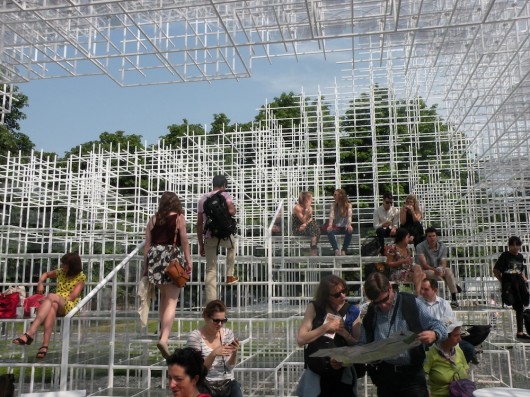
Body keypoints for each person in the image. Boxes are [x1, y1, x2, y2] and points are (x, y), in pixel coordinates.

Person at [359, 272, 447, 397]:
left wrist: (434, 334)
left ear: (390, 288)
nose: (383, 305)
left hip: (412, 375)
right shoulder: (372, 312)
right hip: (386, 377)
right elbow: (362, 343)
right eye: (377, 302)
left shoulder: (412, 303)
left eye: (385, 299)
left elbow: (441, 327)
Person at [144, 191, 192, 359]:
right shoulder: (179, 218)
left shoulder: (153, 219)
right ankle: (164, 338)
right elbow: (184, 240)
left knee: (164, 298)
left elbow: (147, 244)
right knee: (172, 300)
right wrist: (188, 260)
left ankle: (161, 334)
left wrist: (146, 266)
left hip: (155, 258)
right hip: (172, 259)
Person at [12, 252, 86, 359]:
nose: (62, 266)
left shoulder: (81, 277)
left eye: (65, 264)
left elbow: (72, 297)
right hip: (56, 303)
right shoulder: (61, 272)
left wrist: (51, 298)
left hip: (70, 305)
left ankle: (30, 333)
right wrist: (40, 282)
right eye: (63, 263)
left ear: (72, 266)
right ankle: (45, 346)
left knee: (51, 296)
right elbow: (46, 274)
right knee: (52, 307)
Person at [296, 275, 360, 397]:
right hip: (318, 374)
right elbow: (301, 339)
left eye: (344, 291)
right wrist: (326, 327)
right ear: (326, 296)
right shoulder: (315, 307)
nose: (343, 296)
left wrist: (345, 334)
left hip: (342, 377)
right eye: (337, 294)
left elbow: (357, 343)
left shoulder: (352, 311)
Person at [187, 300, 243, 397]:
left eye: (223, 320)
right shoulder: (195, 337)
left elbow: (229, 367)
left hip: (227, 382)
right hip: (205, 383)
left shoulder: (228, 334)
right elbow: (197, 371)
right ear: (206, 317)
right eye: (216, 320)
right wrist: (213, 354)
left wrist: (234, 352)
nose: (220, 324)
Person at [197, 175, 239, 304]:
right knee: (232, 247)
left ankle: (211, 302)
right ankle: (229, 275)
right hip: (225, 234)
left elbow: (199, 224)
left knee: (211, 269)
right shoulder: (225, 195)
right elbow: (232, 211)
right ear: (224, 184)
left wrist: (201, 244)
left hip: (210, 235)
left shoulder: (202, 199)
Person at [419, 278, 475, 363]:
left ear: (435, 290)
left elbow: (449, 323)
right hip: (426, 338)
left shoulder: (444, 304)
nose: (422, 292)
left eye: (426, 289)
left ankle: (453, 369)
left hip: (443, 337)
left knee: (469, 349)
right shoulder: (417, 303)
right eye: (421, 289)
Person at [493, 236, 530, 340]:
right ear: (509, 245)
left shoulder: (520, 256)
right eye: (512, 244)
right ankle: (520, 331)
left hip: (519, 284)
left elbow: (520, 269)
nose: (514, 247)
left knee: (521, 307)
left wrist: (523, 278)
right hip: (509, 284)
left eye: (517, 244)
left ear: (520, 245)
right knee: (512, 302)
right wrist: (503, 281)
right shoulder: (505, 255)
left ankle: (520, 332)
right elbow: (496, 270)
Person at [424, 318, 470, 397]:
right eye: (456, 335)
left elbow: (465, 370)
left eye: (460, 334)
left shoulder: (458, 351)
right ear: (444, 337)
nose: (460, 339)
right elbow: (421, 381)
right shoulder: (430, 354)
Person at [416, 227, 460, 308]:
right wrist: (436, 270)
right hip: (426, 270)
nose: (432, 238)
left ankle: (454, 298)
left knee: (448, 271)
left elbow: (443, 261)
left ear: (436, 236)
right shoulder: (420, 246)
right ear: (426, 237)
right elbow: (424, 264)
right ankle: (442, 298)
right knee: (435, 275)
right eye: (429, 236)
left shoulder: (442, 246)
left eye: (433, 236)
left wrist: (442, 269)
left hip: (438, 268)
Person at [385, 227, 424, 295]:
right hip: (396, 272)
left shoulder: (408, 249)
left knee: (421, 273)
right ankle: (418, 295)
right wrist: (402, 261)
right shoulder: (392, 248)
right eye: (408, 237)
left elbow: (409, 263)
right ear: (403, 238)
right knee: (420, 275)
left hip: (407, 270)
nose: (409, 239)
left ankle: (418, 294)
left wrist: (410, 263)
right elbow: (388, 263)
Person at [325, 189, 353, 256]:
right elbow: (331, 216)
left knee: (350, 231)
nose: (333, 196)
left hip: (344, 226)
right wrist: (330, 225)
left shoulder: (348, 205)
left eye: (335, 195)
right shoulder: (334, 205)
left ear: (340, 195)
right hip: (336, 227)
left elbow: (349, 216)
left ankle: (344, 249)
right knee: (329, 231)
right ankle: (336, 250)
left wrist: (349, 225)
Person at [292, 191, 321, 256]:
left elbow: (310, 219)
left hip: (307, 227)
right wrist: (307, 210)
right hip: (298, 228)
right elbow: (303, 220)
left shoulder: (310, 208)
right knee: (316, 229)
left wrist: (305, 224)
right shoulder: (297, 207)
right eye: (311, 198)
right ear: (306, 199)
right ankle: (313, 248)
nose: (312, 200)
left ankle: (313, 246)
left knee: (314, 226)